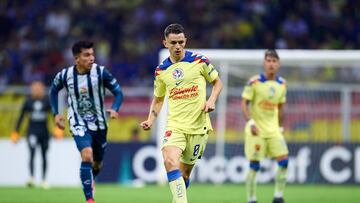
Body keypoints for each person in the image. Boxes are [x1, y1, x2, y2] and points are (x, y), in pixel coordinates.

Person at [140, 23, 223, 203]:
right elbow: (159, 98)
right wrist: (150, 120)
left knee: (184, 174)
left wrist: (211, 100)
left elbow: (217, 82)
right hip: (175, 126)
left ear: (185, 41)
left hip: (198, 127)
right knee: (169, 161)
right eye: (173, 43)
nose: (177, 46)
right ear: (165, 43)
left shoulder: (199, 61)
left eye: (180, 42)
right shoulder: (161, 71)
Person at [49, 40, 123, 203]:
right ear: (76, 58)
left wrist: (115, 108)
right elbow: (53, 91)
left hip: (99, 125)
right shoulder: (65, 75)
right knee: (87, 155)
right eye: (87, 55)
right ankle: (89, 199)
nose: (92, 58)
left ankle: (91, 179)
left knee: (97, 163)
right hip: (78, 122)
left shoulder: (101, 72)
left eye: (92, 54)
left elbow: (118, 93)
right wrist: (56, 113)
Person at [241, 49, 289, 203]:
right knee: (254, 166)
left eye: (274, 61)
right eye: (268, 61)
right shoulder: (254, 82)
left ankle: (278, 197)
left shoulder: (282, 84)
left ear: (278, 64)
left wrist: (281, 127)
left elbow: (281, 107)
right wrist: (250, 122)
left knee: (284, 162)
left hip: (274, 130)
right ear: (264, 63)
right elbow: (244, 104)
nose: (271, 64)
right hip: (257, 131)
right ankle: (251, 199)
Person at [11, 81, 53, 189]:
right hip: (32, 132)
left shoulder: (46, 101)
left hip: (44, 133)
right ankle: (31, 177)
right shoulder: (28, 101)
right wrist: (16, 132)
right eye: (35, 88)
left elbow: (53, 115)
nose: (37, 90)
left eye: (39, 88)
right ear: (32, 90)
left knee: (44, 155)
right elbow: (21, 116)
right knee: (32, 154)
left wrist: (58, 129)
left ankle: (44, 180)